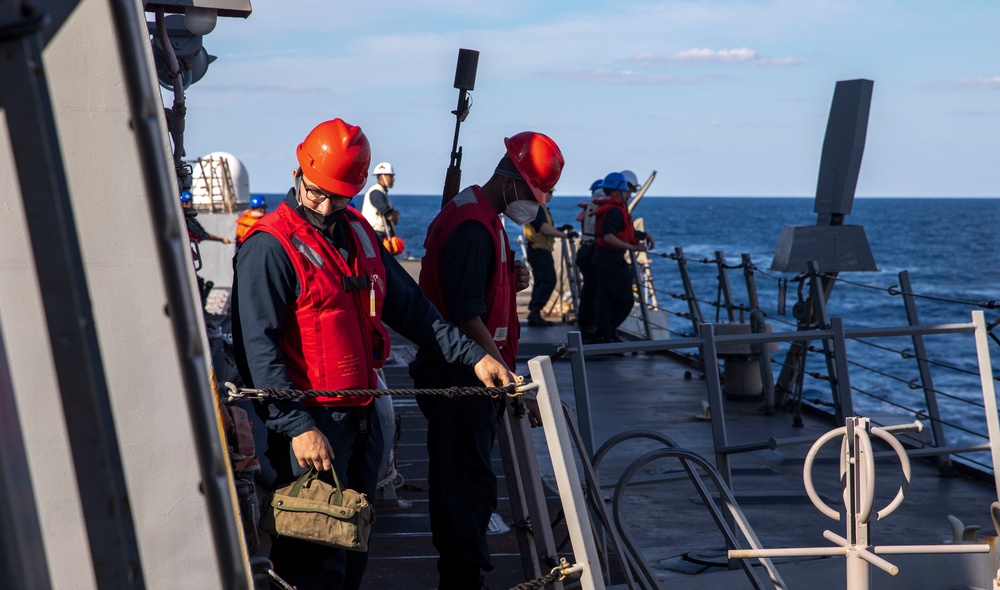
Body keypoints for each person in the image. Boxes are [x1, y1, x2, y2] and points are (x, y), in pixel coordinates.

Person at [231, 118, 514, 590]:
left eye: (336, 197)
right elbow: (256, 351)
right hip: (313, 428)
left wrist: (474, 356)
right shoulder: (269, 247)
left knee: (350, 552)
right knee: (310, 558)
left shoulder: (359, 233)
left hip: (361, 424)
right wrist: (297, 428)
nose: (322, 205)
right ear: (299, 172)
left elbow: (414, 311)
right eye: (315, 192)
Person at [412, 131, 563, 590]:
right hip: (463, 376)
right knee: (464, 487)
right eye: (534, 195)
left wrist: (507, 278)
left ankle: (466, 568)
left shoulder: (482, 215)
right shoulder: (475, 226)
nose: (535, 206)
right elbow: (465, 315)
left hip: (474, 375)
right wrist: (509, 378)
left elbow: (473, 289)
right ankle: (462, 577)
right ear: (512, 181)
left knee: (472, 481)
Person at [591, 171, 654, 344]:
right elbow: (608, 237)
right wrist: (633, 247)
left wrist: (642, 236)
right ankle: (607, 332)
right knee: (625, 300)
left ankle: (606, 334)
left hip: (604, 259)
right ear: (615, 192)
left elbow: (624, 232)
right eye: (625, 190)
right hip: (609, 260)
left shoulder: (613, 209)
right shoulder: (614, 212)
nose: (628, 193)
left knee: (607, 299)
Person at [522, 189, 571, 327]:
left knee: (541, 280)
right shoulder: (538, 208)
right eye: (550, 192)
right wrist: (566, 236)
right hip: (539, 250)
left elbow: (544, 229)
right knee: (549, 280)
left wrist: (560, 229)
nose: (551, 196)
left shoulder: (539, 208)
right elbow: (545, 230)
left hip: (539, 249)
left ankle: (535, 312)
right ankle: (535, 311)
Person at [574, 178, 605, 340]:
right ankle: (591, 325)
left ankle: (586, 323)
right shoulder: (601, 204)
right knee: (595, 290)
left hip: (584, 249)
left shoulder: (591, 206)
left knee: (589, 289)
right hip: (592, 250)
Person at [361, 161, 398, 241]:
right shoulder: (376, 193)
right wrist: (394, 215)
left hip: (379, 233)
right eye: (390, 176)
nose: (393, 179)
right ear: (382, 176)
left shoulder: (381, 192)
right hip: (376, 233)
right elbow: (390, 216)